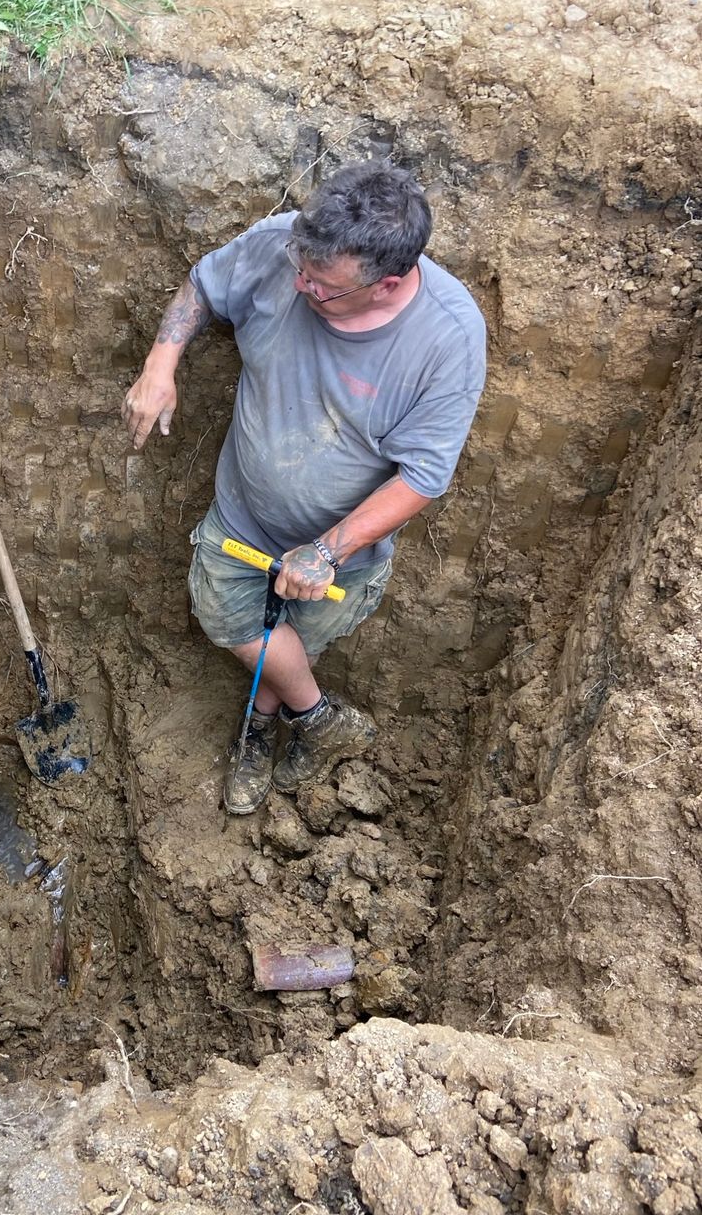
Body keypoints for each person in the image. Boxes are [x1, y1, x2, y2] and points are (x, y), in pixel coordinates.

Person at [122, 160, 486, 815]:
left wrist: (328, 548)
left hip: (343, 557)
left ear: (387, 285)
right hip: (241, 525)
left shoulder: (445, 341)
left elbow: (425, 476)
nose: (298, 285)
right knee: (232, 619)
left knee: (291, 638)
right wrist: (159, 363)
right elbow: (204, 285)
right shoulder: (284, 246)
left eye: (320, 288)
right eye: (300, 268)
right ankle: (318, 721)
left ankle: (260, 725)